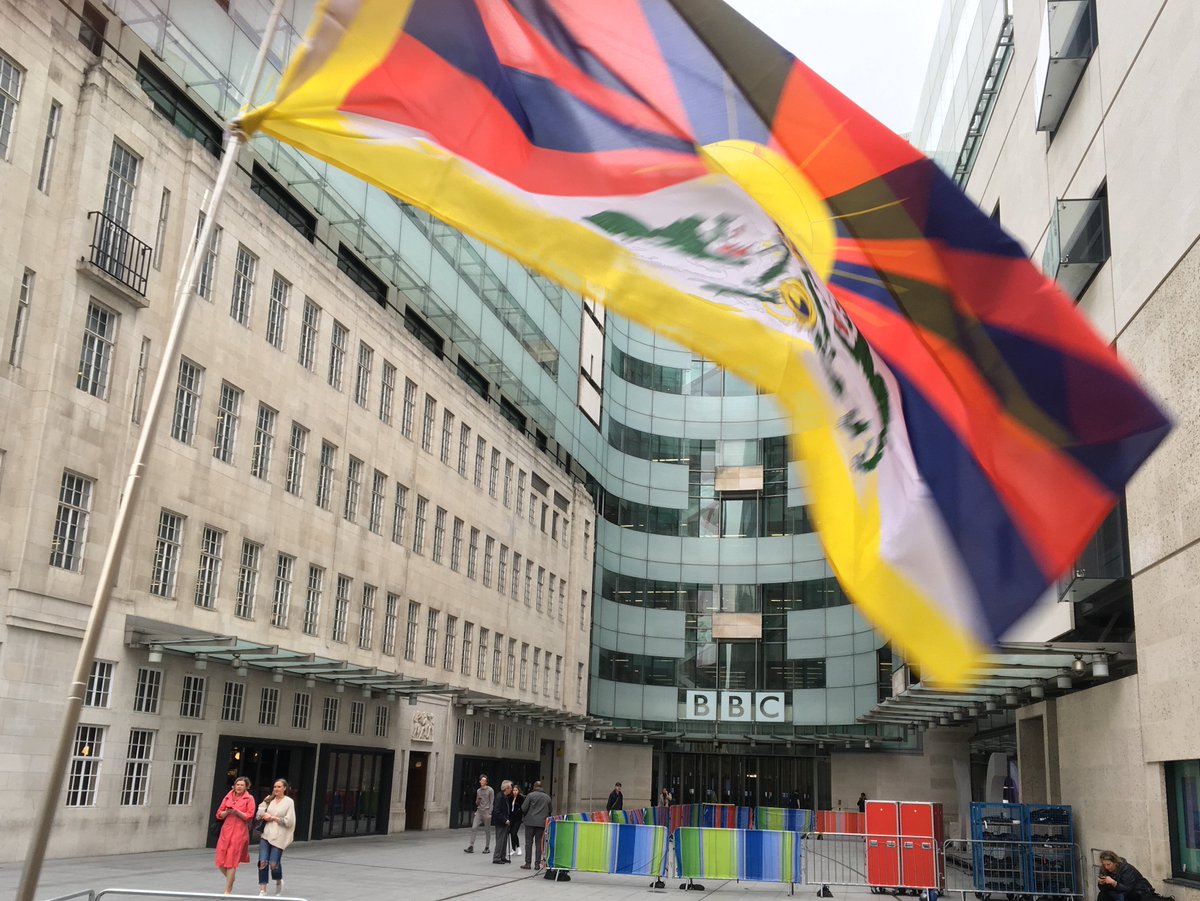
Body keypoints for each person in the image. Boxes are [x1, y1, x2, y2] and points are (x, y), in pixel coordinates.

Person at [214, 776, 257, 895]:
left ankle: (227, 890)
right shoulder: (228, 796)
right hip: (226, 830)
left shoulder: (249, 798)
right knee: (220, 860)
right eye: (237, 784)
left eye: (242, 785)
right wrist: (227, 812)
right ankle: (231, 879)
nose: (239, 787)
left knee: (231, 860)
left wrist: (237, 811)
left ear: (246, 787)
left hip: (239, 831)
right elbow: (219, 814)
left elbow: (249, 816)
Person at [255, 778, 296, 896]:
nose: (276, 789)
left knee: (273, 864)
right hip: (266, 834)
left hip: (280, 836)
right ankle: (263, 889)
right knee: (262, 861)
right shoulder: (269, 799)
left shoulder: (289, 802)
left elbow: (290, 821)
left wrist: (274, 818)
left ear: (284, 788)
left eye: (279, 787)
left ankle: (278, 880)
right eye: (275, 787)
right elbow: (259, 814)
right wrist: (264, 815)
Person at [1098, 850, 1175, 901]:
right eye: (1104, 864)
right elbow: (1103, 889)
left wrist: (1113, 883)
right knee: (1102, 895)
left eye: (1109, 864)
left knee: (1130, 895)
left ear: (1115, 862)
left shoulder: (1126, 869)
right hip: (1117, 892)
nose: (1107, 867)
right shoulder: (1103, 869)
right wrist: (1101, 883)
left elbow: (1128, 888)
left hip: (1136, 892)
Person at [521, 781, 552, 870]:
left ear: (534, 786)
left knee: (528, 843)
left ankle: (527, 863)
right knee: (539, 843)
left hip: (530, 822)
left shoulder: (530, 795)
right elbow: (550, 810)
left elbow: (523, 808)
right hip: (541, 823)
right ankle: (537, 864)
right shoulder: (547, 797)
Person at [464, 774, 493, 854]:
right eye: (481, 780)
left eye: (484, 780)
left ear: (486, 782)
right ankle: (471, 846)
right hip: (479, 811)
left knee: (487, 830)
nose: (482, 782)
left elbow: (492, 802)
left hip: (486, 811)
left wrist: (490, 812)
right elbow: (476, 803)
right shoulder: (478, 791)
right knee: (474, 827)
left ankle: (487, 847)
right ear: (480, 781)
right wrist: (478, 800)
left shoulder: (490, 790)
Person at [491, 780, 514, 864]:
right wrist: (505, 820)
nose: (511, 789)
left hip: (505, 821)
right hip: (501, 822)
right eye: (510, 788)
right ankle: (497, 857)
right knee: (500, 840)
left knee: (504, 840)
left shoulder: (505, 797)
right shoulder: (499, 796)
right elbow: (497, 811)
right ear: (506, 788)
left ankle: (502, 856)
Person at [508, 783, 525, 855]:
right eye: (514, 790)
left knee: (514, 832)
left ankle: (518, 847)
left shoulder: (521, 798)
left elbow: (522, 808)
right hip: (511, 818)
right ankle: (513, 849)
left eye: (516, 790)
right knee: (511, 833)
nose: (515, 792)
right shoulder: (510, 798)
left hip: (518, 818)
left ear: (519, 791)